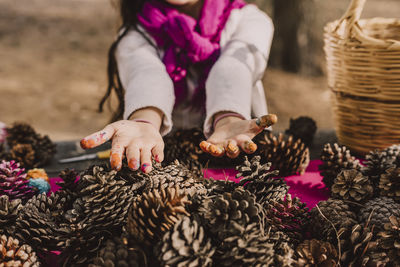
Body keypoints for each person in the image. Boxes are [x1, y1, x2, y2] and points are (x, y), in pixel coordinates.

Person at [80, 0, 276, 173]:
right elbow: (147, 74)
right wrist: (144, 123)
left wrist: (228, 119)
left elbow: (234, 68)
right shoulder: (136, 33)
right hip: (166, 164)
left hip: (239, 162)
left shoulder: (251, 21)